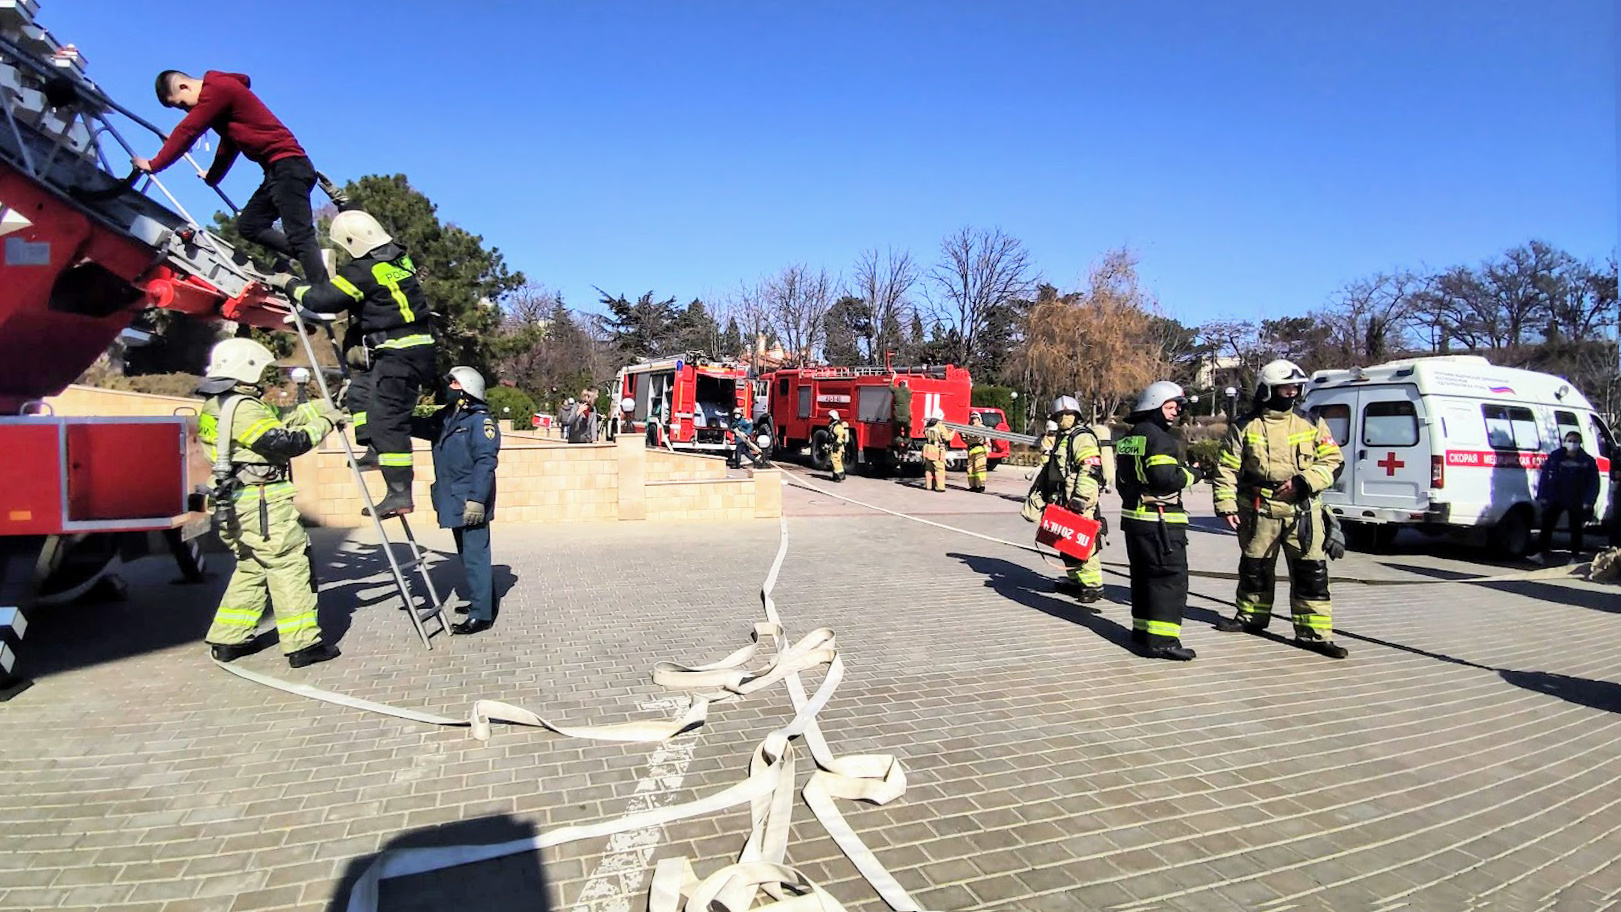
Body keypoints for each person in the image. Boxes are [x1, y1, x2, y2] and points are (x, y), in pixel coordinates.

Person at [269, 210, 434, 518]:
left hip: (401, 354)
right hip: (401, 352)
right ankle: (373, 450)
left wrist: (290, 284)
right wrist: (345, 204)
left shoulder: (362, 272)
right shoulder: (400, 262)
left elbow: (322, 300)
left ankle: (399, 494)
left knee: (388, 422)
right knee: (359, 392)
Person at [197, 338, 343, 668]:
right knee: (288, 564)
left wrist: (324, 406)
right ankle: (303, 644)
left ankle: (228, 637)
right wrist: (327, 423)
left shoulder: (220, 404)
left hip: (236, 503)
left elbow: (282, 417)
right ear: (246, 368)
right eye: (261, 371)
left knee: (252, 566)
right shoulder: (243, 407)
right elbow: (287, 441)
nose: (264, 379)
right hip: (261, 503)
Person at [1210, 360, 1349, 658]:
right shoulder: (1245, 426)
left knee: (1311, 572)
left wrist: (1304, 483)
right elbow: (1226, 469)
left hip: (1303, 510)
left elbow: (1333, 461)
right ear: (1267, 390)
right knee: (1255, 568)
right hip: (1259, 509)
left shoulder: (1310, 422)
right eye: (1286, 387)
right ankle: (1251, 618)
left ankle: (1315, 635)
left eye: (1296, 387)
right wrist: (1225, 504)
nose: (1292, 392)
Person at [136, 71, 329, 283]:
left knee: (300, 235)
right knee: (250, 225)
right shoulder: (223, 99)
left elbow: (188, 130)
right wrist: (213, 177)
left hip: (289, 166)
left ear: (184, 87)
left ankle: (324, 295)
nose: (187, 111)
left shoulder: (218, 89)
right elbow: (228, 145)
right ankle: (315, 258)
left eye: (182, 105)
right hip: (277, 170)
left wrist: (154, 164)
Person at [413, 367, 500, 635]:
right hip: (452, 498)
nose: (448, 387)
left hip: (470, 499)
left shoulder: (480, 421)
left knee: (475, 556)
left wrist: (477, 500)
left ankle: (482, 615)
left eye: (453, 383)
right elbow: (420, 426)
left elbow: (486, 462)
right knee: (469, 554)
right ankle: (483, 600)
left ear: (467, 389)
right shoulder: (448, 417)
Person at [1116, 381, 1200, 660]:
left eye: (1178, 407)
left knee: (1142, 577)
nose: (1176, 412)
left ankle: (1142, 632)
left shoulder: (1131, 436)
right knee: (1168, 579)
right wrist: (1191, 475)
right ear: (1154, 405)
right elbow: (1165, 480)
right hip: (1160, 522)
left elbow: (1123, 479)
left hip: (1134, 519)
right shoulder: (1162, 439)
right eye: (1170, 406)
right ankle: (1163, 640)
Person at [1040, 396, 1106, 603]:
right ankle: (1075, 580)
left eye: (1068, 414)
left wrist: (1081, 497)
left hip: (1079, 500)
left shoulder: (1082, 437)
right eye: (1060, 415)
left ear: (1077, 416)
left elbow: (1090, 467)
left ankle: (1092, 585)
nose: (1063, 418)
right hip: (1062, 498)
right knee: (1064, 541)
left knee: (1084, 543)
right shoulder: (1063, 436)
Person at [1535, 430, 1601, 562]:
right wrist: (1542, 495)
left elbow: (1594, 482)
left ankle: (1574, 556)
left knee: (1575, 528)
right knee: (1547, 525)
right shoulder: (1556, 456)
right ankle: (1541, 553)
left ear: (1580, 443)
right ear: (1565, 442)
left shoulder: (1587, 460)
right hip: (1556, 497)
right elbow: (1545, 477)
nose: (1572, 444)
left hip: (1576, 498)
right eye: (1569, 441)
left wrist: (1589, 501)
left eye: (1575, 441)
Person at [963, 412, 990, 493]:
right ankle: (973, 485)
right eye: (972, 418)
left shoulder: (983, 428)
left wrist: (987, 449)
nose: (973, 420)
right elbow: (964, 438)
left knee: (980, 469)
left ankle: (981, 485)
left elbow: (987, 440)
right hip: (971, 450)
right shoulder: (968, 428)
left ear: (979, 419)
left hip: (980, 449)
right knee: (970, 470)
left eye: (975, 418)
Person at [923, 411, 950, 492]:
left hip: (927, 448)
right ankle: (940, 487)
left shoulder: (928, 425)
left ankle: (929, 486)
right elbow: (946, 438)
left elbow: (924, 433)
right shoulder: (940, 426)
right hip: (936, 449)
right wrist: (952, 433)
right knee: (939, 469)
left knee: (928, 469)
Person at [827, 410, 851, 482]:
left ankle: (840, 476)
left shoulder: (837, 426)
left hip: (838, 447)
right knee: (833, 460)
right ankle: (835, 476)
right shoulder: (834, 425)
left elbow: (841, 434)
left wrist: (837, 444)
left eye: (830, 417)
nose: (829, 419)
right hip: (835, 446)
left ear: (833, 418)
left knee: (836, 460)